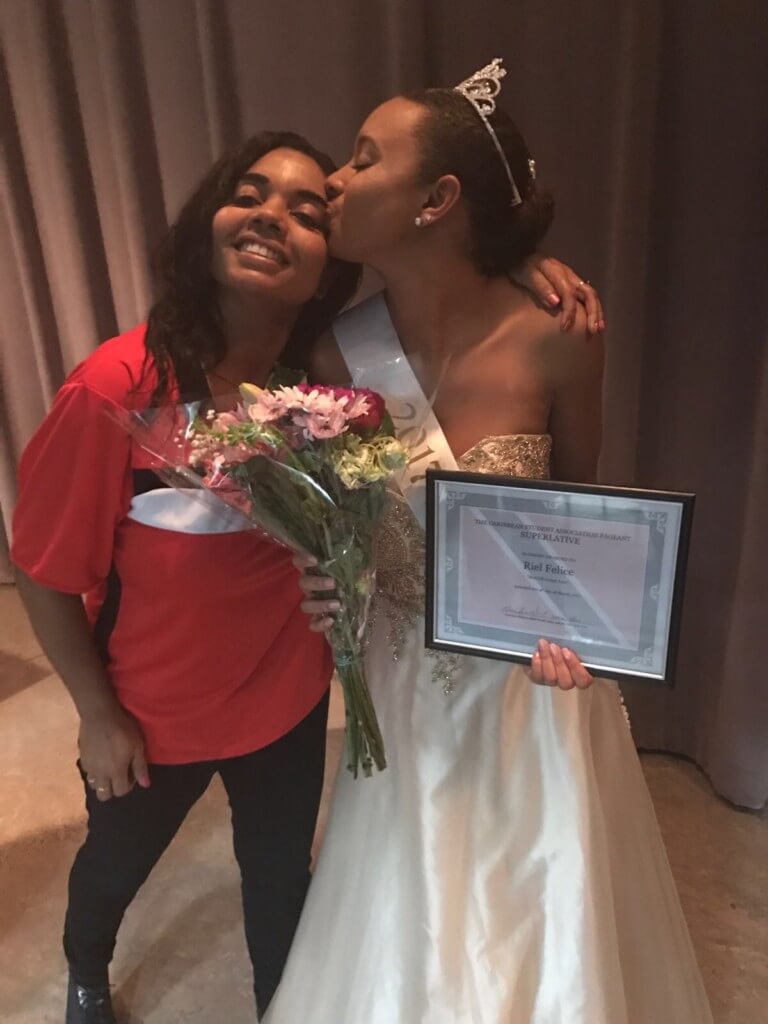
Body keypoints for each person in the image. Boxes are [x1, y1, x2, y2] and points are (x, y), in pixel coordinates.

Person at [11, 122, 596, 1023]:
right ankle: (87, 971)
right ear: (206, 221)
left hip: (287, 700)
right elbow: (44, 571)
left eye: (306, 208)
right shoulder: (116, 387)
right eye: (247, 194)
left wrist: (528, 262)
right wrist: (96, 714)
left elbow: (444, 292)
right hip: (152, 712)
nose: (269, 217)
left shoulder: (327, 379)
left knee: (284, 881)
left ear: (330, 261)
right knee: (114, 865)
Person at [265, 69, 714, 1023]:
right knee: (407, 900)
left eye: (364, 159)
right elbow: (340, 527)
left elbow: (583, 511)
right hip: (399, 684)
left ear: (437, 201)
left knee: (535, 906)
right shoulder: (332, 358)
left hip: (529, 684)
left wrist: (586, 632)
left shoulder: (560, 333)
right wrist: (328, 580)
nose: (334, 182)